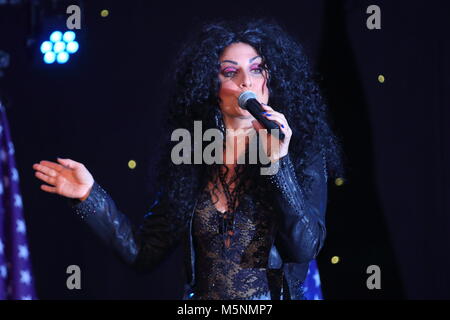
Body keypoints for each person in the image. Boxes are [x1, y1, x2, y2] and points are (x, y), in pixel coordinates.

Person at [32, 18, 344, 300]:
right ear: (213, 85)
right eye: (230, 72)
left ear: (271, 79)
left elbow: (304, 247)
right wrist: (90, 197)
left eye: (257, 68)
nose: (245, 82)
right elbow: (143, 254)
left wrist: (278, 165)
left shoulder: (301, 151)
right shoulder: (192, 157)